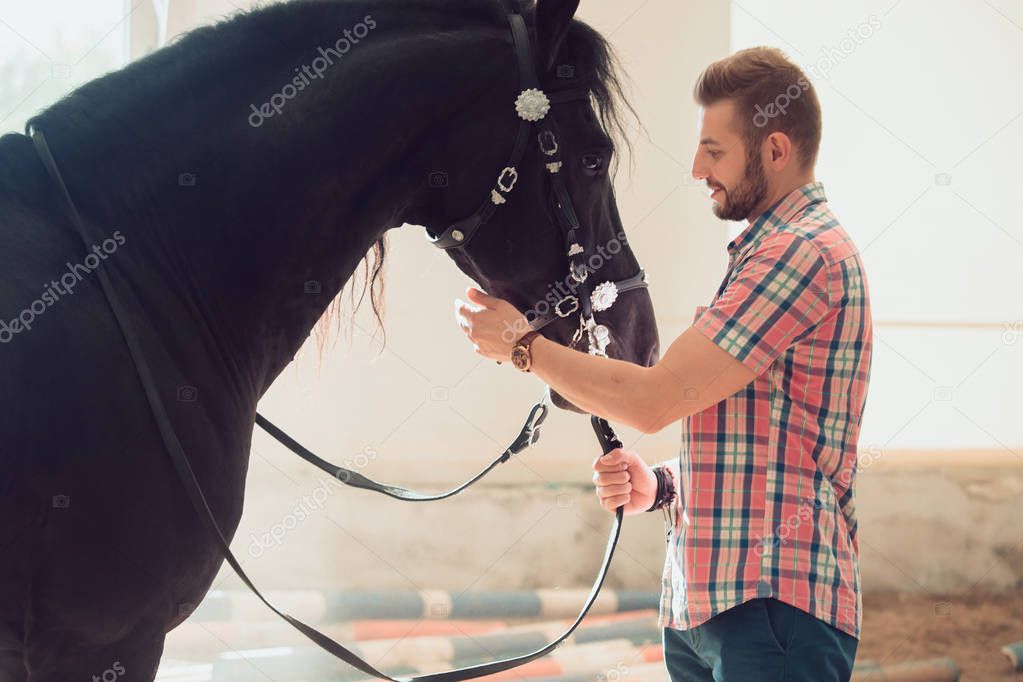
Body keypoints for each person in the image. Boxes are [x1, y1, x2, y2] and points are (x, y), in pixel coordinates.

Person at [456, 46, 872, 682]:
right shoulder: (770, 253)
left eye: (714, 149)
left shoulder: (801, 254)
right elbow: (761, 439)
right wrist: (663, 488)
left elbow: (656, 399)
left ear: (776, 151)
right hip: (715, 603)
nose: (698, 168)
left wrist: (525, 345)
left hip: (770, 606)